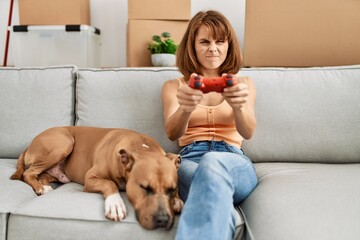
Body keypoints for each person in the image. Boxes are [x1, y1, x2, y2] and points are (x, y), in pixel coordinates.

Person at [161, 10, 258, 240]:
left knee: (213, 163)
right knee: (205, 173)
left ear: (228, 45)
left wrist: (238, 106)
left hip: (234, 160)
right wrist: (185, 108)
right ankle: (223, 208)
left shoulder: (244, 83)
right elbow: (172, 133)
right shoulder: (174, 86)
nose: (213, 48)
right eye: (204, 41)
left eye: (220, 41)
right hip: (190, 160)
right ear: (192, 46)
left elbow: (248, 132)